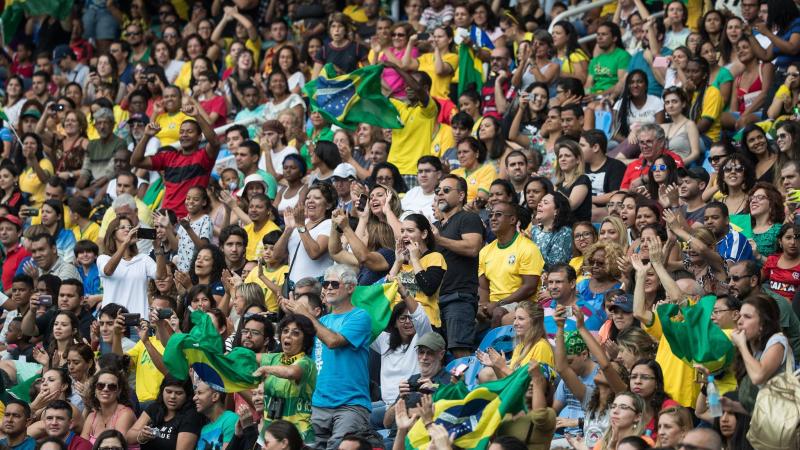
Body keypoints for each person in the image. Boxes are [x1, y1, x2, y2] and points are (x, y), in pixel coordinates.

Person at [282, 265, 372, 450]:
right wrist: (291, 318)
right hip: (317, 404)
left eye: (334, 283)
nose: (328, 287)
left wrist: (307, 315)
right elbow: (294, 352)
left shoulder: (360, 316)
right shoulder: (321, 322)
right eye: (325, 283)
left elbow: (333, 341)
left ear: (350, 288)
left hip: (350, 405)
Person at [130, 102, 221, 218]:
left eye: (189, 131)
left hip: (190, 220)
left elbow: (215, 142)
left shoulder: (204, 156)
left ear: (199, 137)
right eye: (182, 132)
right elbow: (135, 161)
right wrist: (146, 136)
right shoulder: (168, 157)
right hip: (166, 219)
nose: (184, 135)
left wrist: (197, 115)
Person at [433, 175, 484, 358]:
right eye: (438, 191)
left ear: (461, 195)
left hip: (458, 298)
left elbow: (472, 248)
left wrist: (439, 240)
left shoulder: (468, 218)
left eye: (446, 190)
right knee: (433, 355)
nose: (440, 194)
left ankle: (464, 387)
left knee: (459, 353)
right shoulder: (435, 226)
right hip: (434, 302)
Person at [251, 314, 317, 443]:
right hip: (270, 431)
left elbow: (291, 372)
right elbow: (248, 357)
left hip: (297, 435)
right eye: (285, 331)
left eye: (295, 333)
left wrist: (266, 369)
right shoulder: (274, 358)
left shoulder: (306, 363)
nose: (288, 335)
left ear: (305, 340)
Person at [478, 202, 544, 327]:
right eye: (491, 215)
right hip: (494, 303)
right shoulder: (485, 251)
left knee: (498, 313)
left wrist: (498, 304)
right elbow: (483, 287)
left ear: (512, 219)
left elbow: (529, 287)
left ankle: (493, 347)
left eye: (498, 215)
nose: (492, 218)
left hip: (523, 303)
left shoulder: (528, 248)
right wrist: (483, 306)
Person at [98, 217, 166, 318]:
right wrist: (125, 243)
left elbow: (161, 275)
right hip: (111, 321)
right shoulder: (104, 258)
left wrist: (157, 248)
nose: (127, 230)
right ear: (113, 235)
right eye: (122, 227)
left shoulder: (143, 259)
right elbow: (108, 271)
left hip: (138, 322)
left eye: (130, 227)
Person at [619, 124, 684, 190]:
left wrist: (644, 179)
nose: (644, 146)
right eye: (641, 142)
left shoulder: (673, 159)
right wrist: (630, 192)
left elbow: (679, 179)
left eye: (649, 141)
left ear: (661, 142)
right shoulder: (633, 165)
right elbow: (623, 191)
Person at [81, 370, 136, 443]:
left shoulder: (125, 414)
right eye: (100, 386)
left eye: (112, 387)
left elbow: (115, 445)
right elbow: (82, 445)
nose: (105, 389)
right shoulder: (92, 416)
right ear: (95, 390)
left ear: (119, 391)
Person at [531, 193, 573, 268]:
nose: (539, 204)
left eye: (545, 202)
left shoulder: (565, 233)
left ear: (556, 211)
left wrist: (530, 246)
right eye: (540, 202)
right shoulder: (534, 229)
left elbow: (556, 265)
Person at [194, 381, 238, 450]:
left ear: (215, 396)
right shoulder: (204, 429)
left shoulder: (230, 419)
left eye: (200, 393)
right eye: (195, 393)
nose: (194, 398)